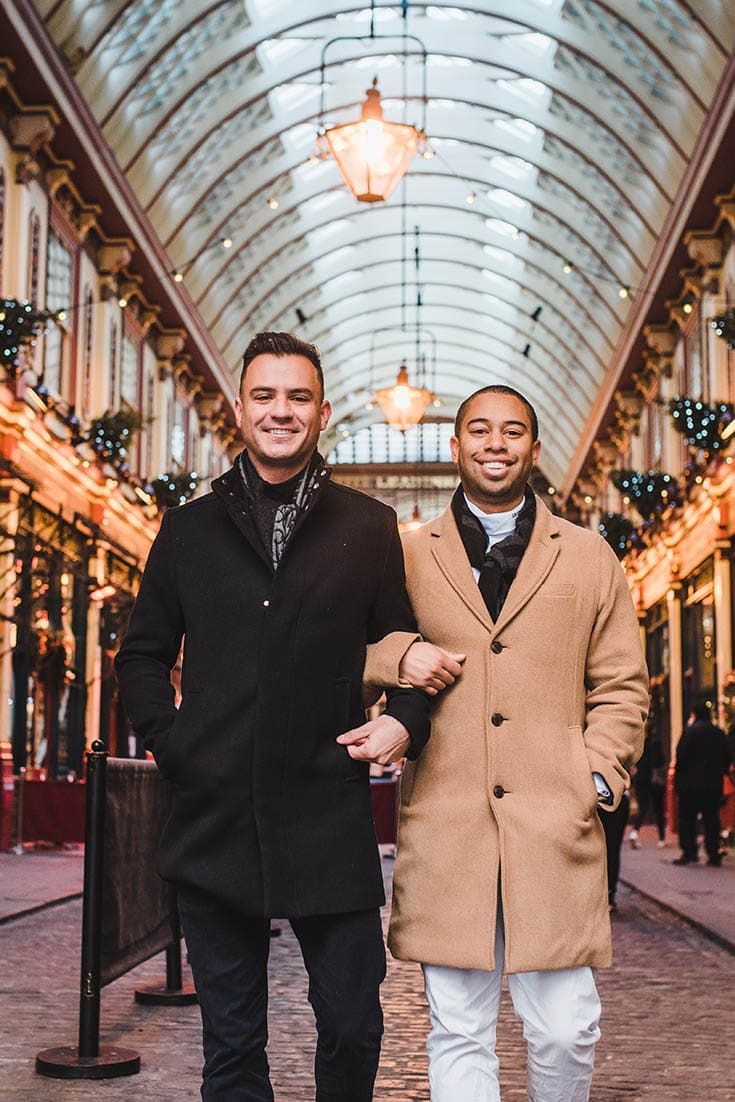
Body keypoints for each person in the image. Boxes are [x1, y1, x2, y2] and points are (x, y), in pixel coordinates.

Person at [115, 331, 431, 1102]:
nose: (280, 411)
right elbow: (141, 655)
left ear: (322, 412)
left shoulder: (367, 526)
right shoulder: (188, 529)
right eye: (265, 396)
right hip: (214, 818)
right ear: (239, 408)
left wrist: (404, 718)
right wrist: (176, 742)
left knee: (354, 1026)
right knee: (232, 1046)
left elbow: (407, 648)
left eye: (296, 398)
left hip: (326, 812)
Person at [361, 385, 648, 1102]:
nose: (495, 443)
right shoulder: (403, 556)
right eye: (479, 431)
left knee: (564, 1026)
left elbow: (620, 685)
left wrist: (597, 776)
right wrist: (397, 658)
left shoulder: (588, 558)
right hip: (448, 824)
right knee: (457, 1028)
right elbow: (356, 647)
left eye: (511, 431)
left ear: (533, 449)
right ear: (454, 447)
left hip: (555, 825)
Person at [673, 702, 731, 866]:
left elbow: (681, 757)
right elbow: (727, 758)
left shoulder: (690, 732)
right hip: (712, 785)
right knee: (711, 819)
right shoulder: (718, 733)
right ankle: (713, 852)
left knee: (687, 818)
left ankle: (689, 852)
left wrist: (679, 781)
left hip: (690, 785)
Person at [628, 722, 667, 848]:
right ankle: (661, 839)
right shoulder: (656, 743)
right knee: (658, 809)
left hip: (641, 778)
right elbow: (660, 761)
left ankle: (634, 833)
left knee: (643, 808)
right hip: (653, 780)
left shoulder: (639, 743)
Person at [599, 790, 629, 912]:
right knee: (612, 847)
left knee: (609, 848)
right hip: (616, 797)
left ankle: (607, 894)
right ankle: (609, 894)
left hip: (600, 798)